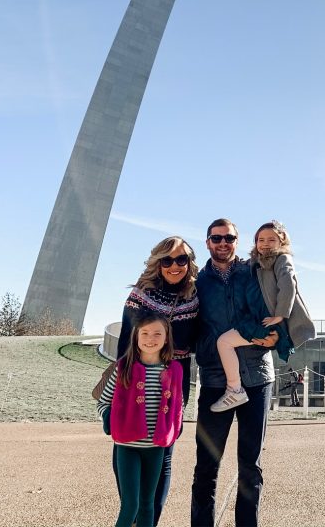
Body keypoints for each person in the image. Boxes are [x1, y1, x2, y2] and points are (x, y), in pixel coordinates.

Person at [192, 218, 279, 527]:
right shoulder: (197, 282)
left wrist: (274, 335)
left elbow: (277, 305)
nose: (223, 243)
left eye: (228, 238)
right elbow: (190, 329)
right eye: (216, 238)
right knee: (206, 467)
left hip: (257, 377)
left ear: (236, 241)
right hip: (215, 380)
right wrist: (211, 348)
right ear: (207, 242)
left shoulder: (253, 272)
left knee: (250, 467)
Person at [113, 235, 199, 525]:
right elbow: (126, 340)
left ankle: (149, 521)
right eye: (167, 260)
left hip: (174, 380)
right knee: (126, 446)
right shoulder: (141, 294)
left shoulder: (195, 296)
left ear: (190, 262)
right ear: (158, 263)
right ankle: (132, 514)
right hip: (135, 377)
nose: (175, 265)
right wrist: (123, 382)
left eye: (181, 259)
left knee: (164, 452)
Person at [211, 220, 315, 412]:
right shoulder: (254, 263)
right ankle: (235, 388)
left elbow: (288, 284)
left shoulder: (282, 259)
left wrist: (280, 315)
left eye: (271, 240)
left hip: (269, 322)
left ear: (282, 241)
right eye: (261, 239)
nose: (265, 243)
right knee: (225, 342)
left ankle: (234, 389)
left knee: (224, 342)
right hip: (260, 320)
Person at [98, 313, 184, 527]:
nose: (150, 339)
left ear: (166, 337)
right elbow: (103, 401)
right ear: (136, 336)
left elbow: (178, 404)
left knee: (147, 504)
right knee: (130, 505)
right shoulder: (123, 367)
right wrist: (109, 420)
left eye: (157, 334)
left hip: (155, 447)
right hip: (127, 446)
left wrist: (175, 427)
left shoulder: (174, 370)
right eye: (144, 333)